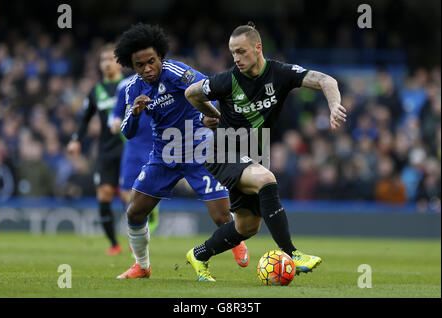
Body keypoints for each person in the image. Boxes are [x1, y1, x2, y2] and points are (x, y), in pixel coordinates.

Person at [184, 22, 347, 281]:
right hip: (222, 150)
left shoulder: (280, 73)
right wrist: (213, 115)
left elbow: (326, 80)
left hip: (253, 154)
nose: (236, 58)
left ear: (258, 47)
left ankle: (199, 254)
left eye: (241, 51)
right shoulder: (227, 81)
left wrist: (335, 105)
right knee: (266, 179)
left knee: (247, 226)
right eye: (232, 52)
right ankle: (291, 253)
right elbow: (191, 93)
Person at [114, 23, 249, 279]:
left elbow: (210, 90)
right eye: (140, 65)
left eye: (151, 61)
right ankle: (142, 266)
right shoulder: (134, 88)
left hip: (200, 152)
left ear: (160, 56)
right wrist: (134, 113)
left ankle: (236, 238)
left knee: (221, 217)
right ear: (133, 66)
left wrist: (210, 117)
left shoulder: (178, 72)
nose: (147, 68)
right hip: (164, 155)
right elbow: (127, 132)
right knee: (134, 211)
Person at [67, 43, 124, 255]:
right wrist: (76, 139)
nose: (107, 63)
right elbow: (84, 119)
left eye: (111, 58)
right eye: (103, 60)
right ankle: (114, 244)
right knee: (104, 195)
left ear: (119, 62)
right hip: (106, 149)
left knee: (129, 197)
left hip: (128, 148)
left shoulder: (128, 85)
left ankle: (135, 240)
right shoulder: (96, 91)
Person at [110, 76, 160, 234]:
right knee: (125, 191)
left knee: (150, 187)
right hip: (132, 144)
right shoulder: (125, 86)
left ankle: (148, 216)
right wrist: (114, 121)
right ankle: (142, 220)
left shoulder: (165, 80)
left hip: (155, 143)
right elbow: (116, 112)